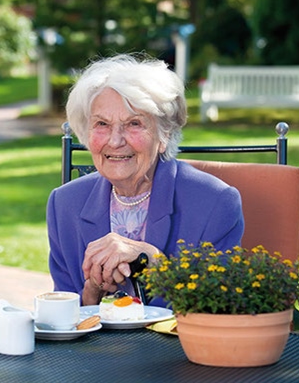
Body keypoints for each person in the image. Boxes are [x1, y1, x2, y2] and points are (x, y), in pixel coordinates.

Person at [47, 54, 244, 306]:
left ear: (164, 135)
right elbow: (64, 317)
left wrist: (156, 263)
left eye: (134, 123)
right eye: (102, 124)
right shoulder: (64, 203)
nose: (115, 140)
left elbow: (219, 312)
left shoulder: (215, 203)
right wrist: (91, 294)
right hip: (97, 347)